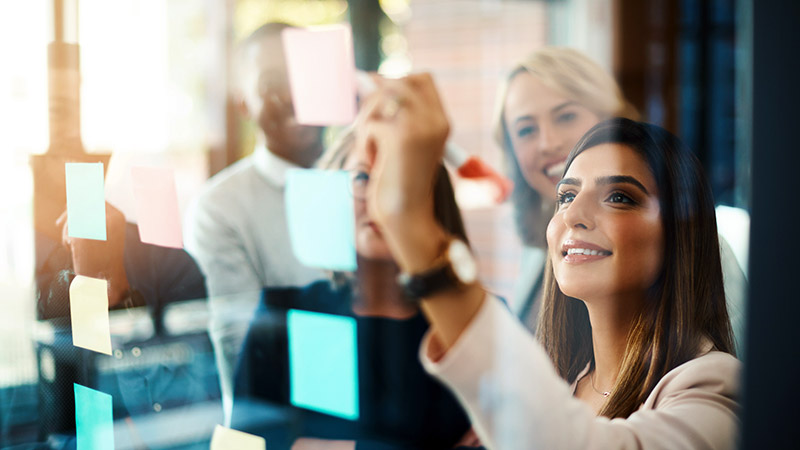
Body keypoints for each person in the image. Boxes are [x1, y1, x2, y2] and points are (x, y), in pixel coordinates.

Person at [358, 74, 739, 448]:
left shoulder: (716, 388)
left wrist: (411, 223)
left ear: (680, 236)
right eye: (567, 197)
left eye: (619, 197)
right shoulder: (564, 383)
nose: (573, 216)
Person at [231, 130, 477, 449]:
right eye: (362, 178)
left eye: (400, 178)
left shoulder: (470, 324)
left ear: (434, 200)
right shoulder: (285, 315)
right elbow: (236, 444)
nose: (379, 198)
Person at [494, 48, 746, 348]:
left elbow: (741, 376)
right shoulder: (543, 248)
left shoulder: (691, 243)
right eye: (526, 130)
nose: (548, 142)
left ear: (612, 119)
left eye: (566, 116)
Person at [183, 22, 326, 423]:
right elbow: (244, 359)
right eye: (270, 84)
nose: (294, 93)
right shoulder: (219, 208)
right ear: (243, 103)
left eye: (305, 75)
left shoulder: (367, 184)